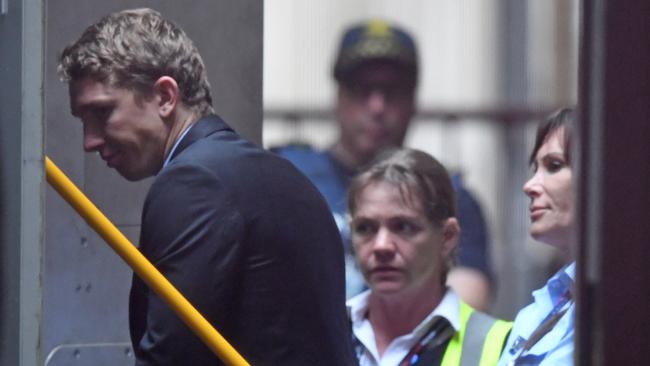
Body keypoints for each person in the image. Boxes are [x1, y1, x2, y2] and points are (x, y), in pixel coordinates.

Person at [57, 8, 356, 365]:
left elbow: (171, 357)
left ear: (166, 97)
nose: (89, 141)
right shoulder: (279, 175)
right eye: (83, 121)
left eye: (103, 112)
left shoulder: (194, 182)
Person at [274, 19, 492, 308]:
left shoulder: (447, 195)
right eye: (362, 90)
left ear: (413, 100)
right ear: (338, 97)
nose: (377, 106)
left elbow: (467, 302)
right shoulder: (289, 176)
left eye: (392, 91)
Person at [346, 148, 512, 366]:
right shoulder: (320, 333)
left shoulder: (502, 346)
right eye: (365, 228)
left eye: (403, 227)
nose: (381, 246)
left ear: (447, 237)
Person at [497, 108, 577, 366]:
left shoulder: (630, 304)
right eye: (535, 168)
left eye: (554, 166)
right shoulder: (534, 313)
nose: (529, 185)